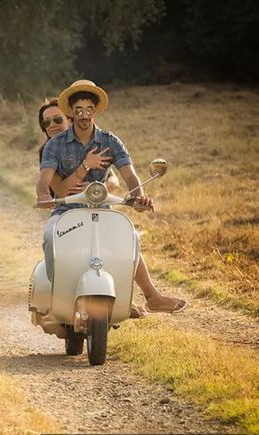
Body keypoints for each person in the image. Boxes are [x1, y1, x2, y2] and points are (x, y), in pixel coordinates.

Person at [36, 80, 186, 316]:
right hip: (67, 211)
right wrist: (44, 196)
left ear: (95, 110)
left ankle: (150, 297)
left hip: (103, 210)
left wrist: (140, 198)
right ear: (71, 113)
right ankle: (59, 296)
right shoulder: (54, 146)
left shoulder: (110, 141)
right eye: (78, 110)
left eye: (89, 109)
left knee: (131, 237)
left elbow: (130, 176)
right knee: (49, 238)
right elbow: (45, 183)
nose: (84, 115)